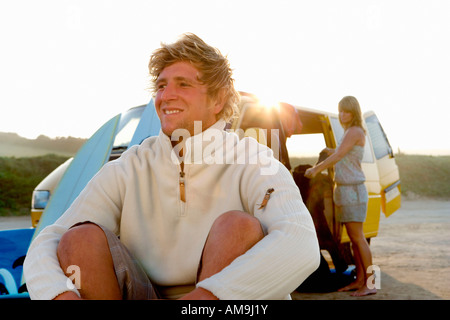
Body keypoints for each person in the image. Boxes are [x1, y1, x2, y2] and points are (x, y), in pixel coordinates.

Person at [24, 33, 320, 300]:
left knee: (238, 227)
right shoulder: (131, 166)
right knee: (78, 237)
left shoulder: (253, 159)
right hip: (141, 293)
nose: (166, 96)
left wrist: (206, 297)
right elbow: (49, 239)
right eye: (162, 86)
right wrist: (59, 294)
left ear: (218, 99)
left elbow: (300, 241)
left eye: (183, 84)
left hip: (218, 302)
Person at [304, 96, 376, 296]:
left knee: (358, 238)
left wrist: (316, 170)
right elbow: (342, 153)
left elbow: (339, 156)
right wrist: (332, 149)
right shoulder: (350, 132)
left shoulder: (354, 131)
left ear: (354, 113)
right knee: (353, 239)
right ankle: (360, 280)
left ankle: (369, 283)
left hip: (353, 190)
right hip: (345, 190)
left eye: (347, 111)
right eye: (341, 111)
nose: (343, 115)